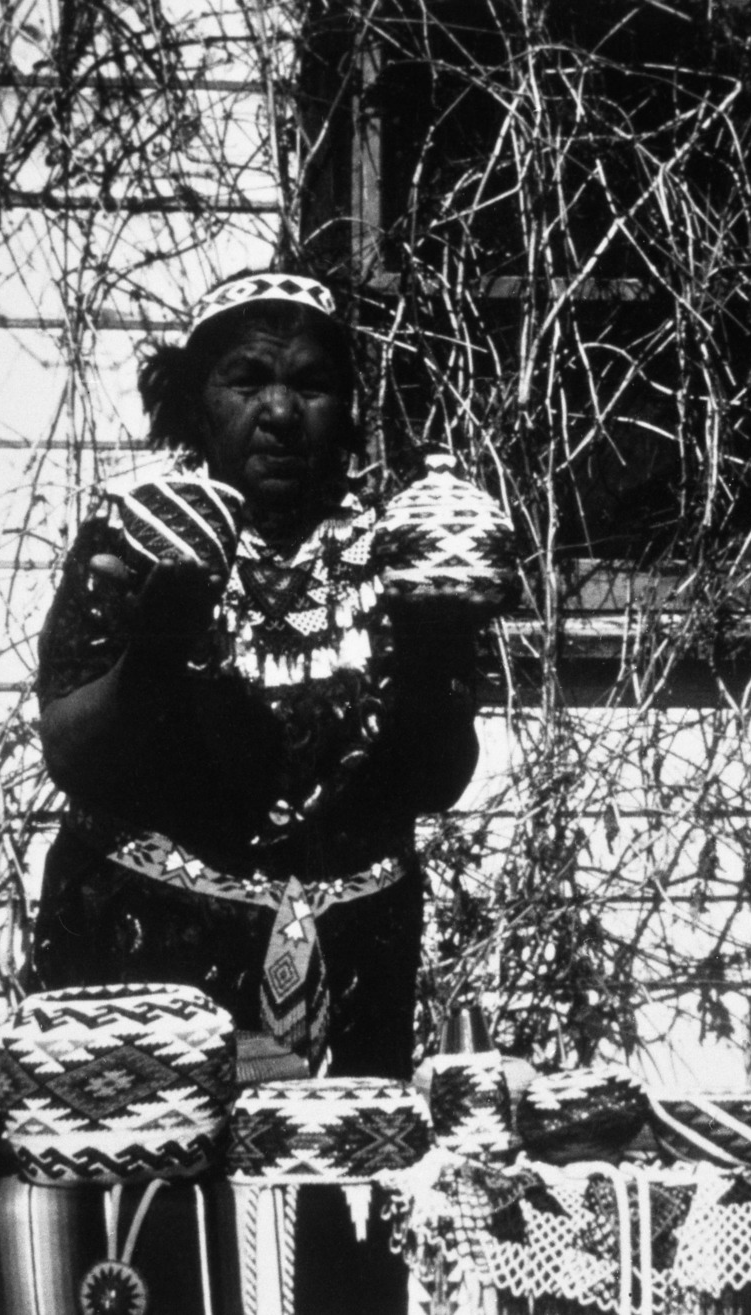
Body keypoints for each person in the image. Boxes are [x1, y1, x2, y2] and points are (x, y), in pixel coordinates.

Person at [31, 270, 488, 1082]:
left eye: (312, 385)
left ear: (348, 413)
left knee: (337, 1201)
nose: (280, 412)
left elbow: (440, 775)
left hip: (352, 987)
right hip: (147, 982)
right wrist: (155, 655)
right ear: (195, 403)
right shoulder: (136, 533)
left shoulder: (403, 553)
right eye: (248, 380)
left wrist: (435, 645)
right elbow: (70, 749)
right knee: (157, 1207)